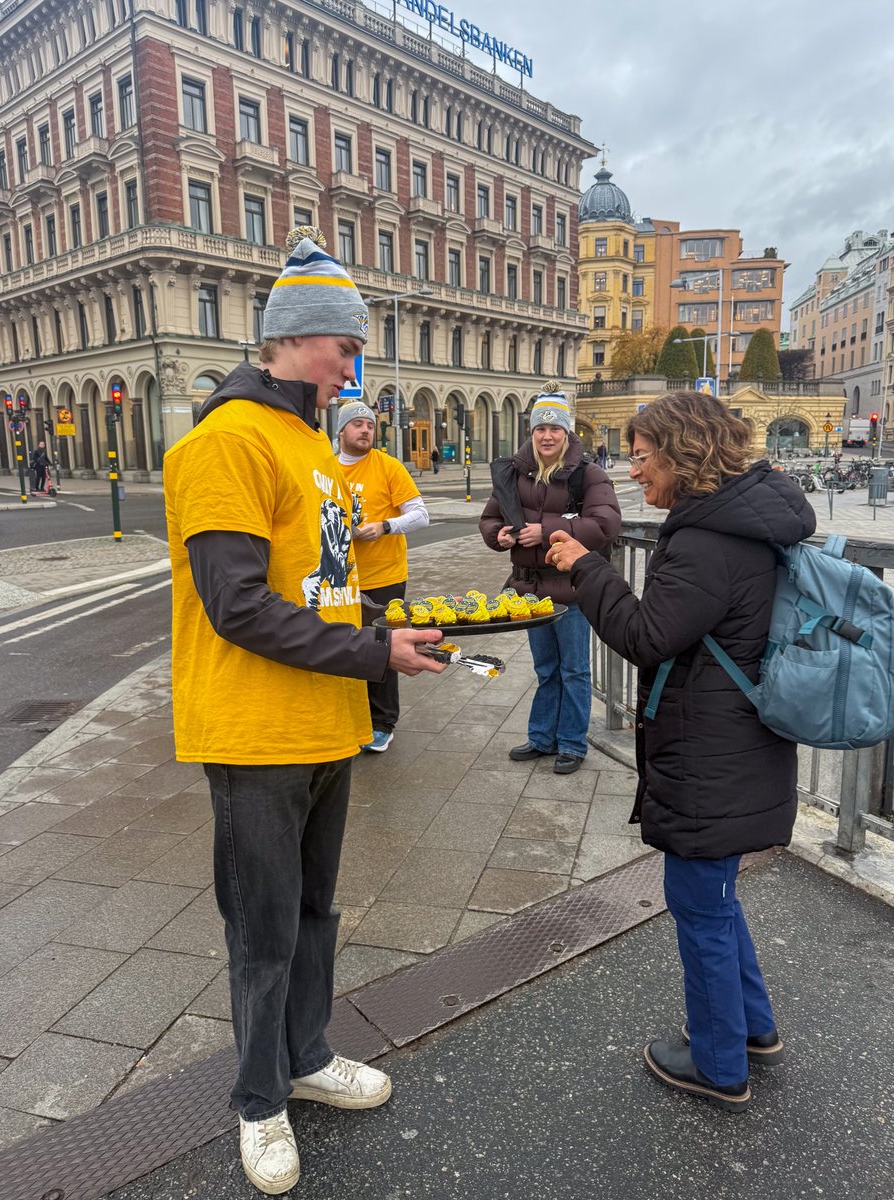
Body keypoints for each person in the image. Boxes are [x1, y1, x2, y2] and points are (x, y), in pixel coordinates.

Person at [162, 227, 446, 1196]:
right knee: (262, 928)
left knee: (315, 911)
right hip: (252, 729)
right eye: (345, 347)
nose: (353, 365)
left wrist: (392, 630)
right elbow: (238, 605)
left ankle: (310, 1056)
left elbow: (319, 588)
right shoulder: (224, 442)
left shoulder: (311, 446)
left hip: (325, 721)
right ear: (291, 340)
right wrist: (374, 650)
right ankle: (258, 1101)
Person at [546, 390, 816, 1112]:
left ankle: (720, 1063)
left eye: (639, 458)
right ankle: (753, 1030)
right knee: (716, 899)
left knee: (698, 903)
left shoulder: (703, 540)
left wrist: (586, 565)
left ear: (679, 452)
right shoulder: (750, 519)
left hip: (709, 751)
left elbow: (645, 636)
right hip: (741, 741)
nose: (632, 472)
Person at [479, 382, 621, 774]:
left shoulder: (586, 474)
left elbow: (606, 523)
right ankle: (542, 738)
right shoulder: (513, 472)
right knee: (546, 668)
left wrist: (545, 530)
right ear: (531, 432)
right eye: (540, 428)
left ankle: (572, 743)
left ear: (567, 432)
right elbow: (490, 517)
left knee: (573, 669)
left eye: (555, 428)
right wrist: (500, 534)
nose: (546, 435)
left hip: (572, 588)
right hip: (531, 589)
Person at [337, 400, 430, 752]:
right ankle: (353, 719)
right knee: (343, 647)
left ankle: (382, 723)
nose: (365, 430)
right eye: (357, 424)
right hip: (341, 578)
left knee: (382, 648)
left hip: (384, 576)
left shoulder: (388, 467)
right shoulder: (326, 469)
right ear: (341, 430)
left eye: (370, 425)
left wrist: (385, 526)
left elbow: (421, 515)